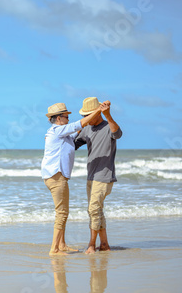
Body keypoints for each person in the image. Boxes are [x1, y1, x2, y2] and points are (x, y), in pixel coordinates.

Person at [41, 102, 104, 255]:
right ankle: (54, 249)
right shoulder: (57, 131)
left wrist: (93, 117)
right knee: (61, 213)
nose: (68, 119)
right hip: (56, 176)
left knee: (63, 212)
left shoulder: (62, 133)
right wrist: (97, 110)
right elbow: (79, 124)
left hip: (57, 176)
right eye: (66, 116)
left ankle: (62, 245)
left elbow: (79, 129)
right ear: (58, 119)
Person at [74, 97, 122, 254]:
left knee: (94, 209)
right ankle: (105, 245)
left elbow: (118, 133)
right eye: (83, 116)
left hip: (104, 176)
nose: (85, 118)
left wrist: (108, 115)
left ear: (97, 113)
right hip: (91, 176)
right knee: (96, 210)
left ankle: (91, 245)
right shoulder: (87, 129)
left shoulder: (108, 126)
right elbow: (73, 145)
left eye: (88, 115)